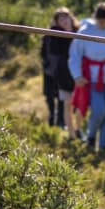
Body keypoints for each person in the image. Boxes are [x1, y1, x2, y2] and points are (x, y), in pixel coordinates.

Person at [68, 2, 105, 157]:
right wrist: (77, 75)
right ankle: (91, 136)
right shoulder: (85, 31)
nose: (103, 24)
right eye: (100, 21)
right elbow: (74, 56)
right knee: (99, 110)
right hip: (91, 80)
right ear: (95, 18)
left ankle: (102, 147)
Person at [41, 7, 81, 139]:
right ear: (57, 22)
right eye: (60, 19)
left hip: (80, 72)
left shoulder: (80, 31)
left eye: (66, 17)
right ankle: (69, 132)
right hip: (64, 72)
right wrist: (55, 32)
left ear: (71, 17)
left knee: (80, 103)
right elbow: (52, 51)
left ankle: (78, 129)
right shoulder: (55, 35)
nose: (64, 20)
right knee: (66, 102)